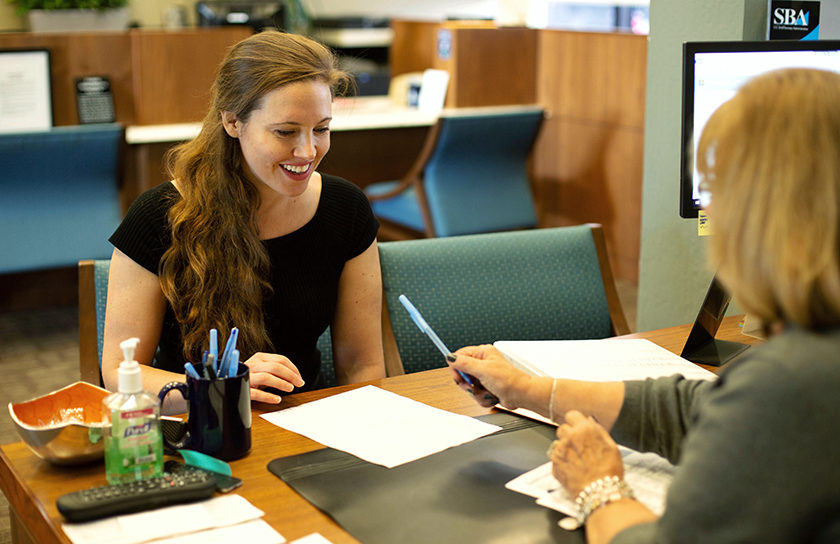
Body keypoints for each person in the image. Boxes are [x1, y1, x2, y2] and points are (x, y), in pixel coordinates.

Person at [448, 68, 840, 543]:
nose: (709, 211)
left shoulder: (796, 380)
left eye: (718, 188)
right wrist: (527, 389)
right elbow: (698, 410)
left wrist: (600, 489)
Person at [102, 31, 386, 413]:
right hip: (199, 425)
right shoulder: (159, 216)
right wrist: (219, 388)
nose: (307, 151)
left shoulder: (345, 208)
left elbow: (361, 365)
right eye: (285, 131)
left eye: (321, 129)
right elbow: (120, 373)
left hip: (309, 422)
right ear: (233, 121)